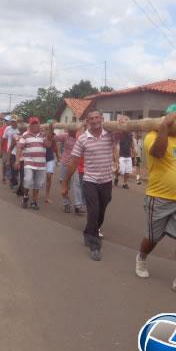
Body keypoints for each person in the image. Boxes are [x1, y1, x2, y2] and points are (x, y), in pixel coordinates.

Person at [135, 104, 176, 297]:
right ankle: (142, 257)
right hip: (159, 198)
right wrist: (163, 127)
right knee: (153, 237)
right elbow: (158, 153)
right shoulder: (152, 136)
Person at [62, 109, 123, 261]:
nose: (95, 120)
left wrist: (123, 124)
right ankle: (94, 245)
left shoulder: (109, 135)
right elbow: (74, 161)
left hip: (106, 180)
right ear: (88, 122)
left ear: (102, 119)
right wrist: (65, 182)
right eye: (92, 118)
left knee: (102, 209)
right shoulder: (82, 139)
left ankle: (89, 231)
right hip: (90, 180)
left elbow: (120, 135)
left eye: (97, 117)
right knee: (93, 211)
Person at [16, 117, 51, 210]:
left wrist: (48, 135)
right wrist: (17, 160)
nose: (35, 125)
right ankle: (25, 196)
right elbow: (19, 147)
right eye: (33, 124)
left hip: (41, 163)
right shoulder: (25, 135)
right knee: (27, 180)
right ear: (30, 125)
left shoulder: (43, 135)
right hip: (29, 162)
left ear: (39, 125)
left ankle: (34, 201)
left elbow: (48, 145)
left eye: (36, 124)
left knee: (38, 183)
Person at [54, 123, 85, 214]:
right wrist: (51, 127)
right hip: (65, 162)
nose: (72, 132)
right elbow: (54, 138)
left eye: (73, 131)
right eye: (70, 131)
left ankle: (78, 205)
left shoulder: (80, 137)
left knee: (76, 183)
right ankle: (66, 203)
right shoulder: (64, 136)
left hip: (74, 164)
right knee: (64, 183)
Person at [114, 118, 136, 189]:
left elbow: (132, 145)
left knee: (128, 171)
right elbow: (116, 144)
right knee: (121, 170)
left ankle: (125, 183)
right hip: (122, 155)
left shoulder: (130, 135)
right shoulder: (121, 134)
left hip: (128, 156)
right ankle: (116, 177)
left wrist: (134, 154)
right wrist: (116, 157)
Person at [44, 120, 59, 203]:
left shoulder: (53, 136)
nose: (46, 130)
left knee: (49, 177)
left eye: (47, 129)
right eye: (45, 129)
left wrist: (58, 158)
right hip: (41, 159)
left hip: (50, 158)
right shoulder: (41, 135)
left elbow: (55, 148)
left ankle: (47, 196)